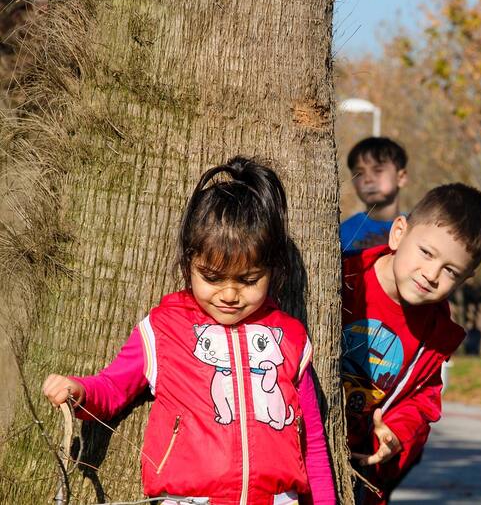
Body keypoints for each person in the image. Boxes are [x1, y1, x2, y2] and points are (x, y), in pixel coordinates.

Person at [42, 157, 335, 505]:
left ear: (272, 271)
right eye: (211, 277)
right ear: (188, 264)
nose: (229, 294)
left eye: (248, 280)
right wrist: (80, 392)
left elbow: (313, 442)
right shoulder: (163, 330)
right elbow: (112, 387)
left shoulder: (289, 338)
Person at [341, 183, 481, 504]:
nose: (431, 274)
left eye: (450, 270)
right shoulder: (345, 277)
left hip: (360, 468)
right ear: (399, 233)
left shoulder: (436, 334)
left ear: (466, 278)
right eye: (426, 253)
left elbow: (423, 400)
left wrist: (396, 433)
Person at [340, 137, 408, 256]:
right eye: (359, 173)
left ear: (401, 177)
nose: (368, 179)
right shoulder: (342, 233)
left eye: (378, 170)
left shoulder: (415, 228)